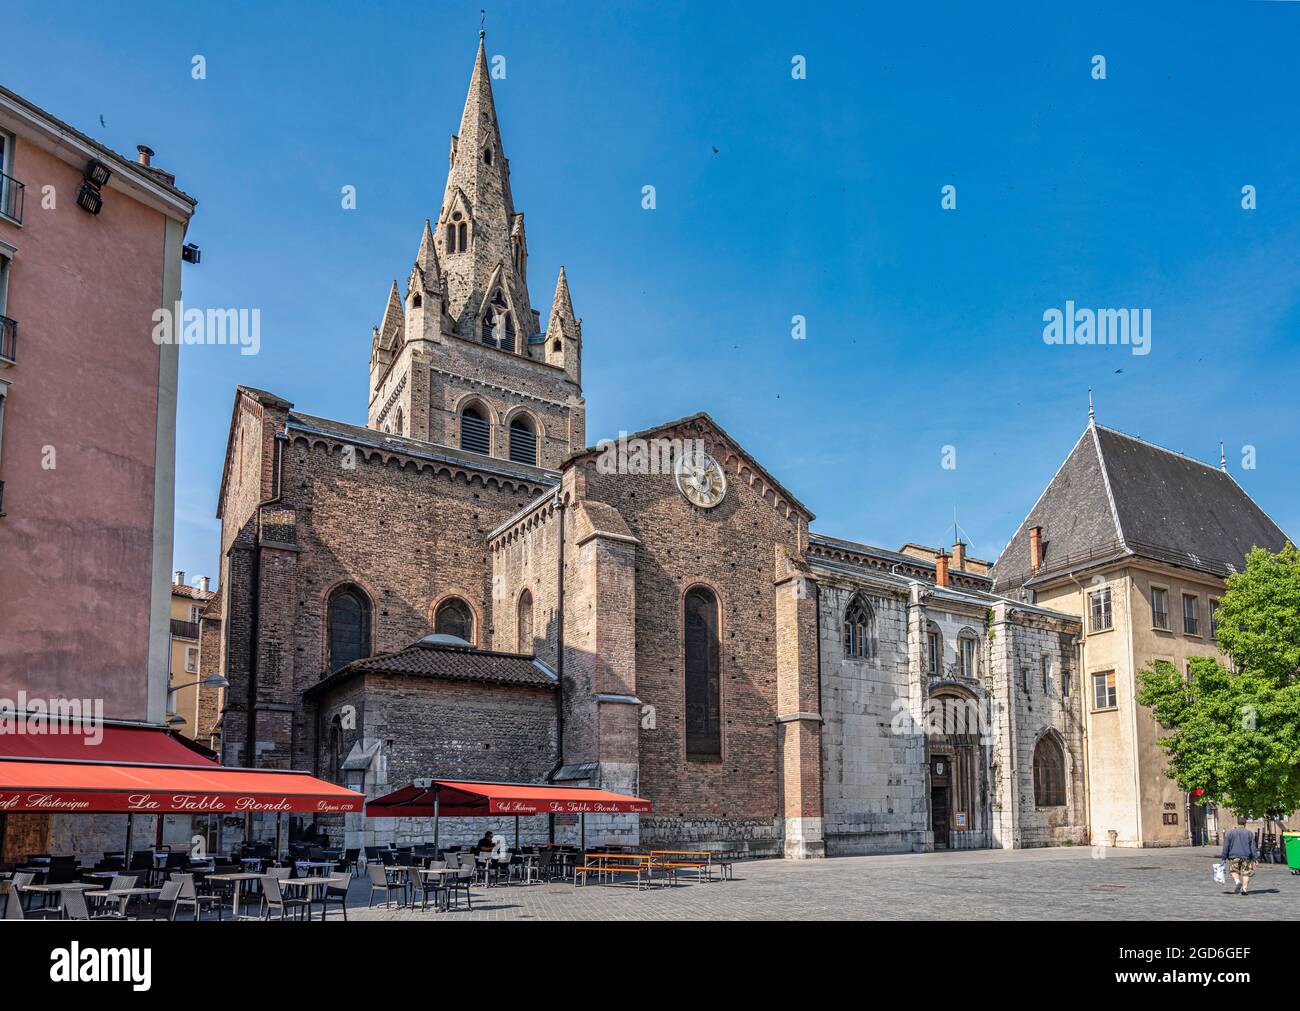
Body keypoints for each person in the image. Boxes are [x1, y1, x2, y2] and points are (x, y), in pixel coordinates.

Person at [1221, 816, 1259, 895]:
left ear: (1237, 823)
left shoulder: (1230, 833)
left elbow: (1226, 846)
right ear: (1245, 824)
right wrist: (1255, 858)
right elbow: (1252, 847)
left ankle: (1238, 882)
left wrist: (1224, 857)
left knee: (1233, 870)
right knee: (1246, 873)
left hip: (1234, 856)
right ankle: (1244, 889)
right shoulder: (1249, 833)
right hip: (1246, 857)